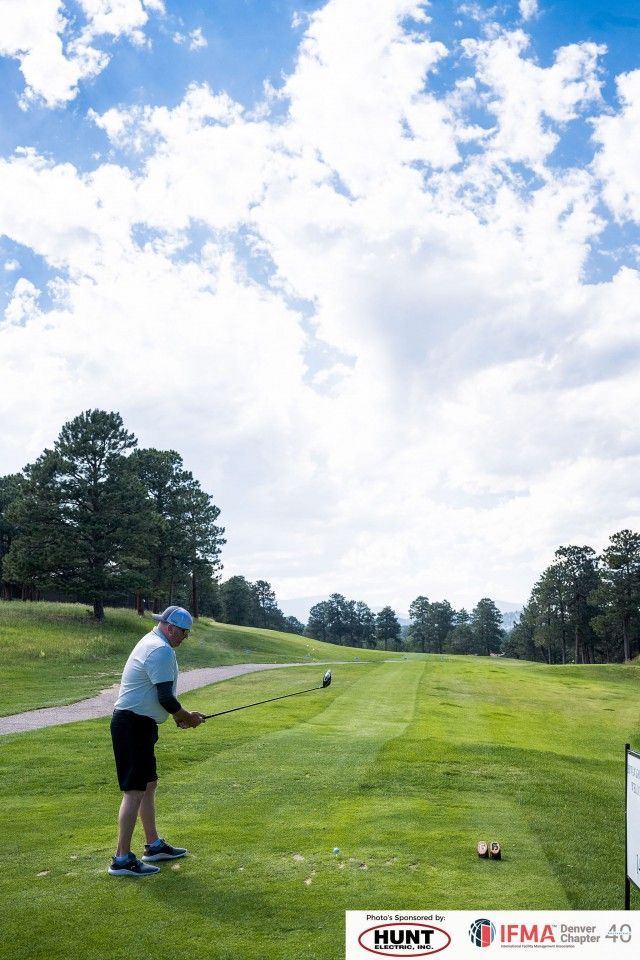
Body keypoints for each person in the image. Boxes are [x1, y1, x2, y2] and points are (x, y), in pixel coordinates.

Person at [108, 605, 206, 877]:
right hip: (131, 725)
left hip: (141, 723)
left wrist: (178, 717)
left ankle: (153, 845)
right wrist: (186, 716)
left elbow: (158, 695)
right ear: (170, 628)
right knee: (134, 790)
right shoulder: (160, 649)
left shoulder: (157, 644)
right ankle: (121, 859)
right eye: (183, 633)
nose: (184, 638)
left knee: (148, 785)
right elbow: (165, 697)